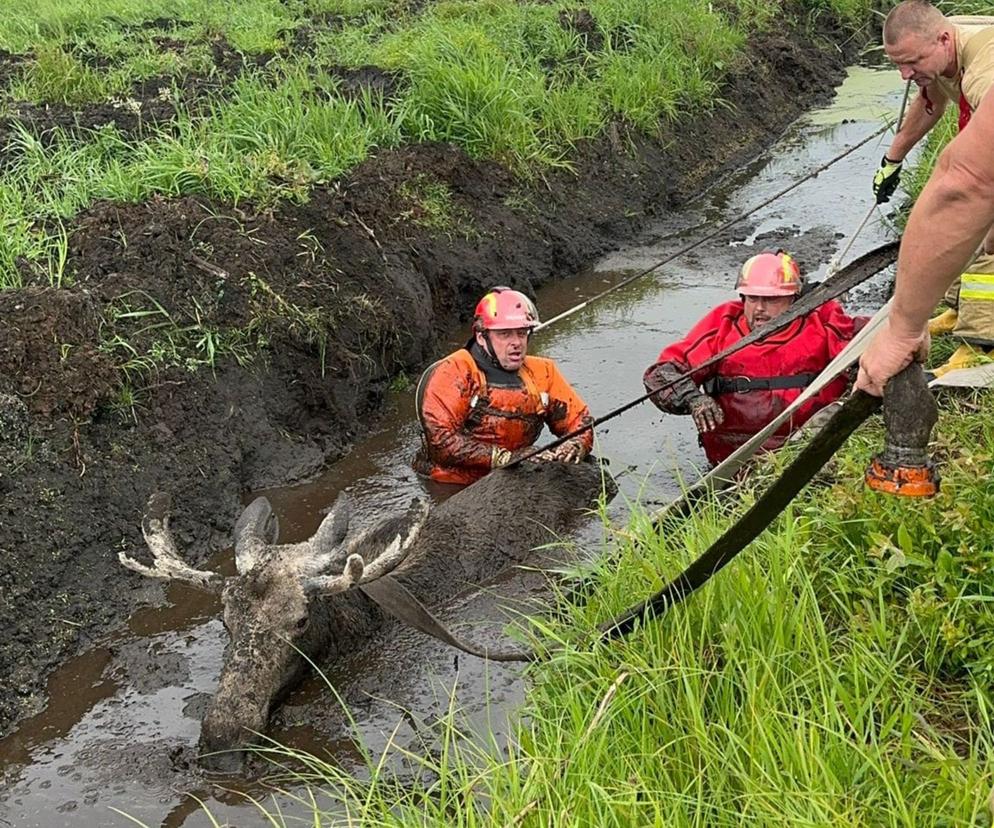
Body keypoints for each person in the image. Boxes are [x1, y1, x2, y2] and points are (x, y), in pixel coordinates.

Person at [857, 42, 994, 395]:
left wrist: (903, 330)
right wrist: (893, 158)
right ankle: (954, 311)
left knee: (983, 245)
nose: (905, 74)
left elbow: (974, 181)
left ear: (942, 42)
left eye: (912, 62)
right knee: (950, 231)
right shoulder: (947, 51)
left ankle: (979, 345)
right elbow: (928, 100)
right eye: (899, 65)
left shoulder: (984, 74)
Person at [643, 250, 864, 466]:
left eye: (771, 300)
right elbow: (662, 374)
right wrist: (693, 399)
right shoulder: (723, 325)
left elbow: (879, 337)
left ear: (793, 299)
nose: (759, 308)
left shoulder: (822, 321)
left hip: (808, 451)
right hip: (732, 462)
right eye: (752, 298)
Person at [413, 287, 593, 485]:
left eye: (522, 333)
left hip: (514, 475)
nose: (516, 343)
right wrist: (504, 458)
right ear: (482, 337)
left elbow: (580, 421)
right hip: (451, 482)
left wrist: (575, 444)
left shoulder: (544, 372)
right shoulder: (454, 372)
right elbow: (441, 442)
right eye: (505, 334)